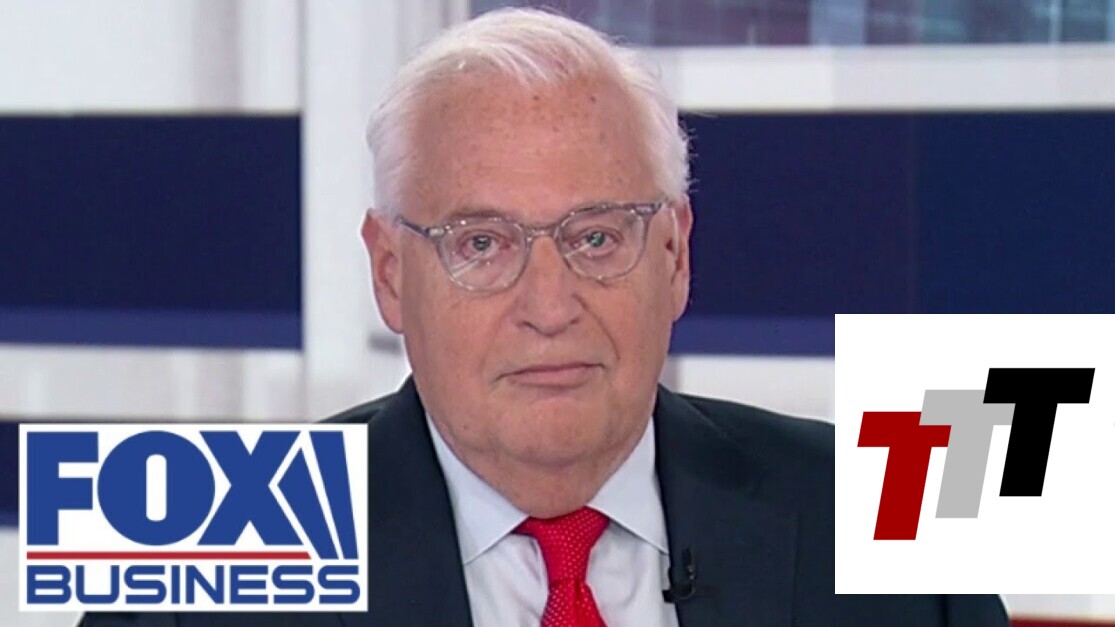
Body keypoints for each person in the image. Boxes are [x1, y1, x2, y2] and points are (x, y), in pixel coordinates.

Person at [81, 8, 1007, 626]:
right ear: (391, 274)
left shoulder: (897, 524)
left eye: (596, 237)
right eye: (481, 243)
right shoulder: (195, 564)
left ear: (675, 255)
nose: (550, 306)